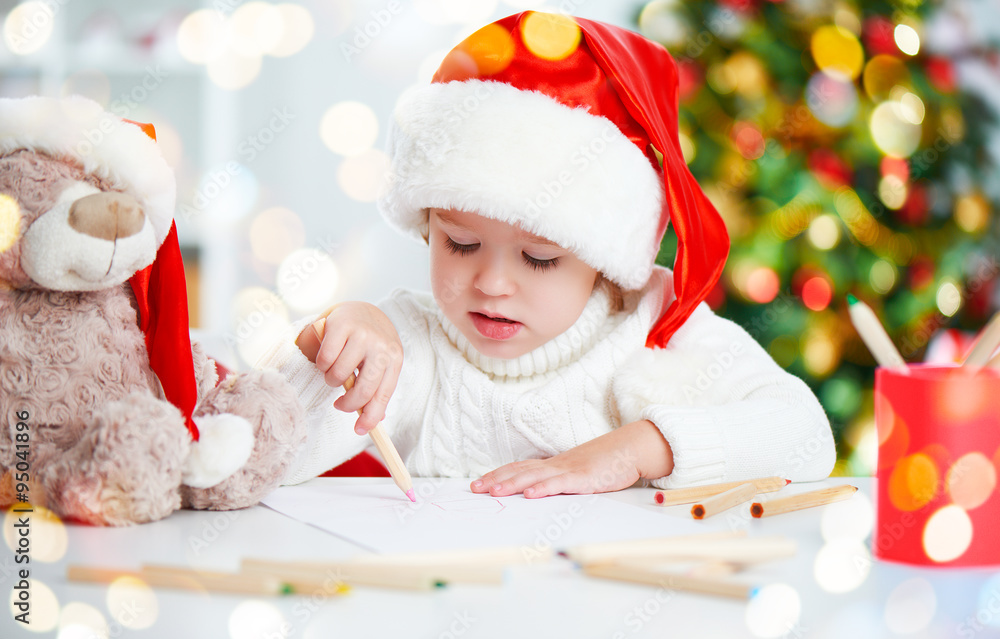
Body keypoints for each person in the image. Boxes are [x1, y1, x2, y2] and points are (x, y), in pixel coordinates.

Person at [257, 12, 835, 497]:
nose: (491, 284)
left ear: (601, 259)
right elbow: (258, 459)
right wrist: (322, 357)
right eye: (460, 244)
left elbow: (806, 436)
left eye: (538, 258)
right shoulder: (409, 344)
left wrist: (638, 449)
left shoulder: (650, 328)